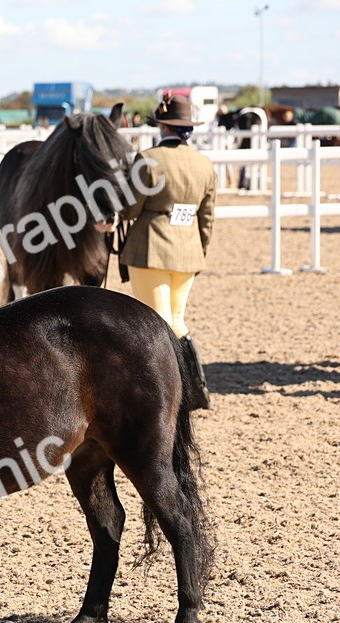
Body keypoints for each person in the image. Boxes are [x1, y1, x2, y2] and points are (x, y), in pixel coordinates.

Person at [118, 94, 217, 410]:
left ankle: (173, 392)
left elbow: (131, 207)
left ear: (162, 124)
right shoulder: (204, 163)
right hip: (187, 252)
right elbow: (207, 217)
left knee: (157, 322)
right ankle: (194, 387)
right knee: (176, 319)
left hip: (152, 249)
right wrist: (198, 252)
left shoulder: (148, 158)